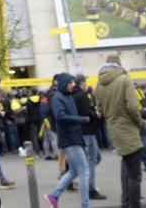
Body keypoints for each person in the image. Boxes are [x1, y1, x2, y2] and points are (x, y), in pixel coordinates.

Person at [96, 54, 146, 207]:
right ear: (119, 64)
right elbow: (133, 107)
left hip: (114, 129)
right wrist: (139, 122)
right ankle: (134, 203)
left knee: (127, 167)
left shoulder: (99, 84)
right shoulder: (125, 80)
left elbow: (100, 109)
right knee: (135, 174)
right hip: (129, 128)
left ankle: (126, 203)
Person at [44, 73, 91, 208]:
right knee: (83, 171)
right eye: (70, 83)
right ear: (64, 83)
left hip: (73, 137)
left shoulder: (67, 95)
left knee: (75, 171)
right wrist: (81, 119)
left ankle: (54, 195)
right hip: (69, 138)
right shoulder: (58, 97)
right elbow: (60, 116)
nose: (73, 85)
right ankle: (85, 205)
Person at [72, 74, 107, 200]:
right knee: (91, 160)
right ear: (82, 83)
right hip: (88, 130)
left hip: (81, 131)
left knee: (94, 158)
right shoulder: (82, 95)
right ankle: (90, 188)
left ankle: (84, 181)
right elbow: (87, 112)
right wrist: (96, 115)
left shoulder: (73, 95)